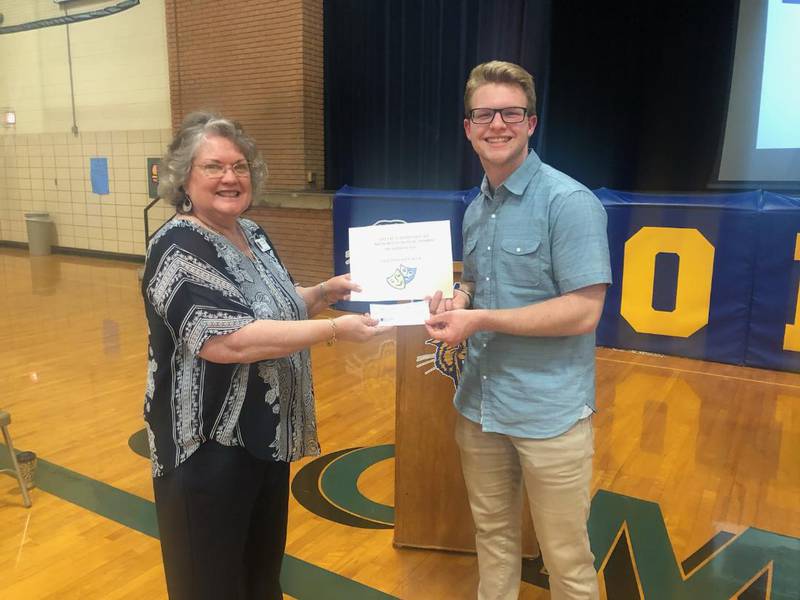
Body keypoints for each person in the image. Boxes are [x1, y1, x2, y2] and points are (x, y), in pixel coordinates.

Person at [142, 111, 386, 600]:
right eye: (213, 166)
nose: (230, 177)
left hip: (263, 439)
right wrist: (333, 329)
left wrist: (321, 291)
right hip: (206, 450)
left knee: (260, 578)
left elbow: (270, 301)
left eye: (240, 165)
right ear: (183, 177)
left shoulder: (250, 233)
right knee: (209, 584)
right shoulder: (176, 246)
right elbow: (225, 340)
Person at [426, 61, 611, 599]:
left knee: (567, 560)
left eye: (511, 112)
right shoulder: (476, 209)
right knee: (494, 538)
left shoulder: (569, 204)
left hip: (549, 415)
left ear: (532, 123)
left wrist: (477, 319)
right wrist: (456, 301)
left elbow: (582, 312)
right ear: (468, 127)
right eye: (484, 114)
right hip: (480, 408)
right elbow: (478, 285)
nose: (497, 124)